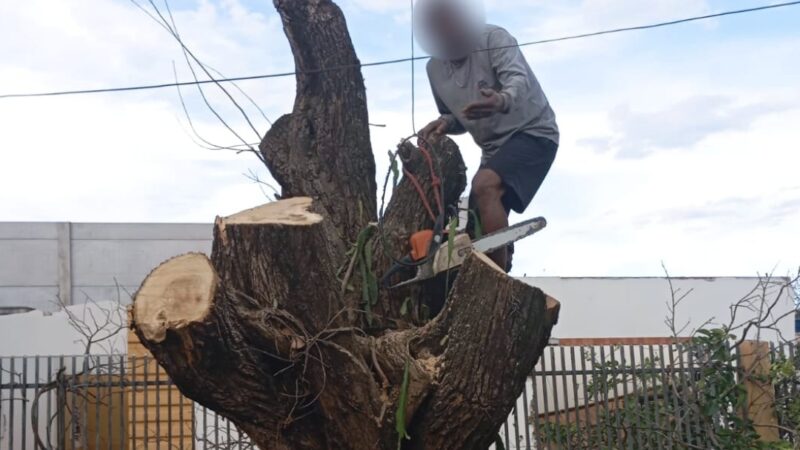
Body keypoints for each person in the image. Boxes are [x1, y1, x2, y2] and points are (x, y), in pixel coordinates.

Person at [416, 0, 559, 271]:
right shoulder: (433, 69)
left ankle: (494, 281)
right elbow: (457, 115)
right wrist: (444, 123)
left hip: (534, 133)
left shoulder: (494, 38)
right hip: (494, 151)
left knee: (485, 185)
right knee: (473, 224)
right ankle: (499, 277)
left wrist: (501, 100)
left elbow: (518, 81)